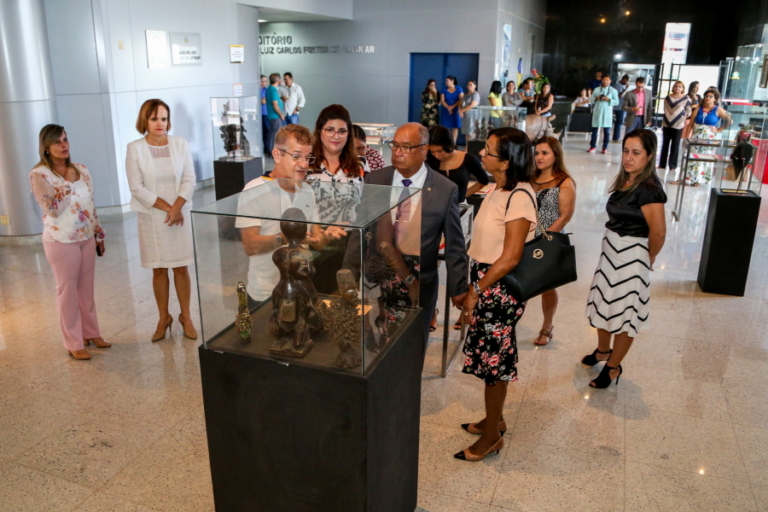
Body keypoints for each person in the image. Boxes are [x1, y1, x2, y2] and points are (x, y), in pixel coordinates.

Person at [456, 127, 537, 462]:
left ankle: (491, 438)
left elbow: (511, 257)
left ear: (506, 162)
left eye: (489, 151)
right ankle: (495, 419)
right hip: (486, 279)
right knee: (489, 356)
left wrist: (476, 290)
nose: (482, 154)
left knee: (494, 362)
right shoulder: (499, 187)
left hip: (499, 287)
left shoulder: (520, 196)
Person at [366, 123, 469, 348]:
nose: (397, 152)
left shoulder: (444, 189)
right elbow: (363, 233)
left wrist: (458, 287)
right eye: (394, 146)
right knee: (377, 349)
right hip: (378, 283)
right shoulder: (375, 180)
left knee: (412, 346)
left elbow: (455, 243)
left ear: (424, 150)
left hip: (420, 283)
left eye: (406, 147)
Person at [583, 128, 667, 388]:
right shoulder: (625, 181)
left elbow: (658, 232)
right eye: (626, 151)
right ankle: (602, 351)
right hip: (611, 254)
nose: (628, 158)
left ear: (649, 156)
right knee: (603, 305)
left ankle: (613, 367)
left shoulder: (650, 189)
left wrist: (647, 258)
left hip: (632, 256)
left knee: (624, 314)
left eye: (636, 153)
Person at [236, 125, 346, 304]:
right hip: (266, 293)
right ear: (277, 155)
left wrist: (327, 236)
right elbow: (250, 245)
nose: (304, 164)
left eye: (307, 158)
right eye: (296, 156)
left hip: (301, 289)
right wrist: (286, 238)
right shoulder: (254, 190)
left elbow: (316, 241)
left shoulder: (307, 191)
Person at [29, 125, 109, 360]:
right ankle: (73, 342)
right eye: (57, 142)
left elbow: (90, 204)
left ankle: (91, 333)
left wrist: (98, 232)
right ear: (46, 147)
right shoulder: (39, 174)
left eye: (65, 139)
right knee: (67, 292)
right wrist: (67, 183)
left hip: (86, 237)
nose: (63, 145)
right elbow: (53, 210)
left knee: (86, 290)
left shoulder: (81, 169)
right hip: (61, 240)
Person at [126, 99, 197, 341]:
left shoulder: (180, 143)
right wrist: (169, 209)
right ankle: (163, 317)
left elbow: (189, 179)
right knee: (158, 269)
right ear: (144, 121)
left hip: (179, 215)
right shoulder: (135, 148)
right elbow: (136, 187)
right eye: (154, 118)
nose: (160, 123)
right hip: (153, 216)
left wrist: (177, 208)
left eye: (164, 118)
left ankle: (186, 316)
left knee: (181, 267)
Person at [531, 136, 576, 346]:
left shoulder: (564, 182)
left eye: (545, 153)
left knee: (547, 286)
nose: (539, 157)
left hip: (550, 240)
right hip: (525, 237)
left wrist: (544, 238)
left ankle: (547, 326)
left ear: (556, 155)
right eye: (537, 153)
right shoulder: (530, 178)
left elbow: (565, 216)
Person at [680, 88, 732, 185]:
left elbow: (730, 120)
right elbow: (690, 124)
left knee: (705, 157)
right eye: (707, 96)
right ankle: (688, 178)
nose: (708, 98)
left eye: (711, 97)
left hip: (709, 138)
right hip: (696, 136)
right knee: (692, 156)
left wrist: (718, 130)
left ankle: (699, 180)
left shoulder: (718, 109)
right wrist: (687, 137)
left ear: (715, 99)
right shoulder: (699, 108)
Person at [428, 125, 489, 203]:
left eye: (440, 151)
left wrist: (463, 195)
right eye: (432, 152)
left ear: (449, 145)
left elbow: (483, 180)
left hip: (459, 205)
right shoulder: (429, 162)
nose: (436, 156)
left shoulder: (468, 159)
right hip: (435, 204)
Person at [658, 80, 692, 180]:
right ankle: (662, 164)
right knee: (665, 144)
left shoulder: (686, 98)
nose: (677, 88)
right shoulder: (668, 97)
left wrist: (682, 117)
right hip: (666, 123)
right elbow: (665, 108)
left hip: (678, 124)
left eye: (680, 86)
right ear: (673, 87)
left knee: (675, 145)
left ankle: (672, 165)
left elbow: (689, 111)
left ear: (683, 88)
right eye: (676, 86)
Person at [588, 75, 619, 154]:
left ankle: (605, 147)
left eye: (607, 80)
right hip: (598, 111)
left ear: (610, 81)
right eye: (604, 80)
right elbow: (591, 99)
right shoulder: (597, 89)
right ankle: (593, 146)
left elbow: (617, 102)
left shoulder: (613, 90)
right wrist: (596, 98)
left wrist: (609, 99)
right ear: (601, 80)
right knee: (594, 131)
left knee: (607, 132)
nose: (605, 82)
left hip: (607, 113)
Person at [440, 76, 464, 144]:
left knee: (455, 126)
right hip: (446, 110)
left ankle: (453, 143)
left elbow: (461, 99)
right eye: (445, 81)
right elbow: (442, 100)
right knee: (445, 127)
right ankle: (446, 143)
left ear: (452, 81)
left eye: (447, 81)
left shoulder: (459, 88)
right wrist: (448, 107)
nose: (446, 82)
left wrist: (453, 107)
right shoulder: (444, 89)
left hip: (456, 109)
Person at [265, 73, 285, 154]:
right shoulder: (273, 90)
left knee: (272, 134)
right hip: (275, 116)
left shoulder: (269, 89)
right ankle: (273, 151)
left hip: (271, 115)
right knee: (275, 135)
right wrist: (281, 114)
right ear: (277, 80)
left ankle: (271, 149)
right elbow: (275, 104)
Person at [611, 74, 630, 142]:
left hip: (622, 107)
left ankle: (617, 137)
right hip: (619, 107)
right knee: (619, 122)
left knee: (620, 122)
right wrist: (626, 89)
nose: (627, 82)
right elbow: (620, 95)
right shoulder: (618, 85)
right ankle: (616, 137)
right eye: (627, 81)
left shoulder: (622, 85)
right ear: (624, 79)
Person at [260, 75, 270, 154]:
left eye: (266, 81)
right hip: (259, 114)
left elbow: (267, 100)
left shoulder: (266, 90)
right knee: (262, 132)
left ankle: (267, 148)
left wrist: (264, 100)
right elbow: (261, 101)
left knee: (267, 131)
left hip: (266, 114)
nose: (265, 83)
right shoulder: (257, 90)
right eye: (264, 81)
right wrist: (263, 100)